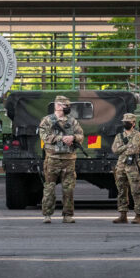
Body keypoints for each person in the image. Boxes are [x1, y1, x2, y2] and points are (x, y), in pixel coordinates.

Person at [39, 95, 84, 224]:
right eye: (66, 106)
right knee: (49, 187)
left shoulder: (72, 121)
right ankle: (47, 214)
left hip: (69, 159)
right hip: (52, 159)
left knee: (68, 188)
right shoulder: (47, 121)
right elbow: (44, 135)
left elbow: (81, 135)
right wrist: (61, 138)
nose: (68, 108)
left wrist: (73, 138)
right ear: (58, 106)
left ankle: (68, 215)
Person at [111, 113, 140, 224]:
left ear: (133, 123)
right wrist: (127, 146)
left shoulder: (137, 135)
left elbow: (134, 149)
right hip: (120, 166)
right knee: (121, 190)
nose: (126, 123)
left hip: (132, 165)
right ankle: (123, 215)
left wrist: (122, 148)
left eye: (128, 122)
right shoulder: (119, 136)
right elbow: (115, 150)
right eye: (124, 121)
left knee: (136, 190)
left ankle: (138, 215)